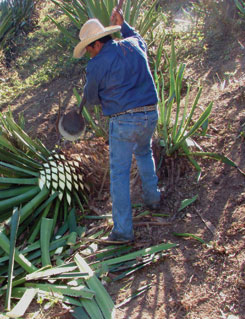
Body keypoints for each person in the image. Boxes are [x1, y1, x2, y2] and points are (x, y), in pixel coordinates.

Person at [73, 7, 161, 242]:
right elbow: (139, 38)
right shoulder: (133, 44)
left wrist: (101, 92)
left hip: (124, 120)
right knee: (144, 152)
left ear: (96, 45)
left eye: (89, 50)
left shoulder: (97, 64)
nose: (89, 55)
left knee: (119, 174)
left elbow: (91, 99)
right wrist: (124, 24)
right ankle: (153, 199)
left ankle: (123, 231)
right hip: (151, 113)